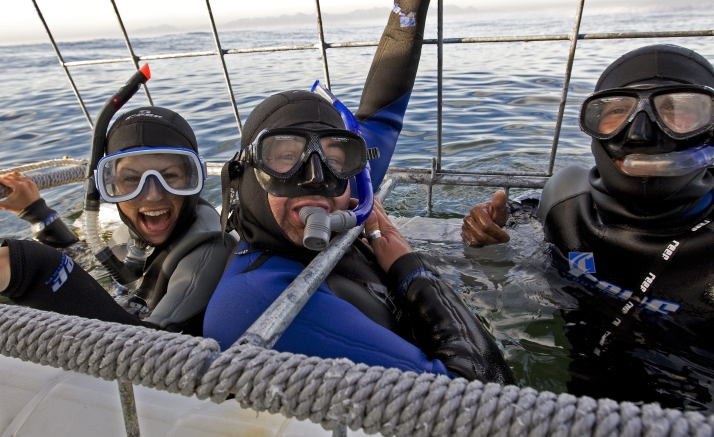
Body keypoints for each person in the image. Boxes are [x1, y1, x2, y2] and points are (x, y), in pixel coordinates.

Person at [203, 0, 513, 383]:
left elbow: (382, 113)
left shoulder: (348, 191)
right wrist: (407, 265)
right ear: (246, 174)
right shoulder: (255, 300)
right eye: (285, 156)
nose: (316, 177)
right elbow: (483, 396)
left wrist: (409, 6)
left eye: (336, 156)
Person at [461, 44, 714, 408]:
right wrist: (490, 234)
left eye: (678, 111)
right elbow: (521, 221)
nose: (640, 132)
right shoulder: (566, 203)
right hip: (583, 396)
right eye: (615, 112)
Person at [0, 106, 232, 336]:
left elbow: (154, 349)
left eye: (170, 177)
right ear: (109, 185)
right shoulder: (131, 234)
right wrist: (37, 213)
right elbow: (94, 269)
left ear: (194, 179)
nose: (152, 195)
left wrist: (33, 266)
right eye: (131, 179)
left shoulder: (207, 250)